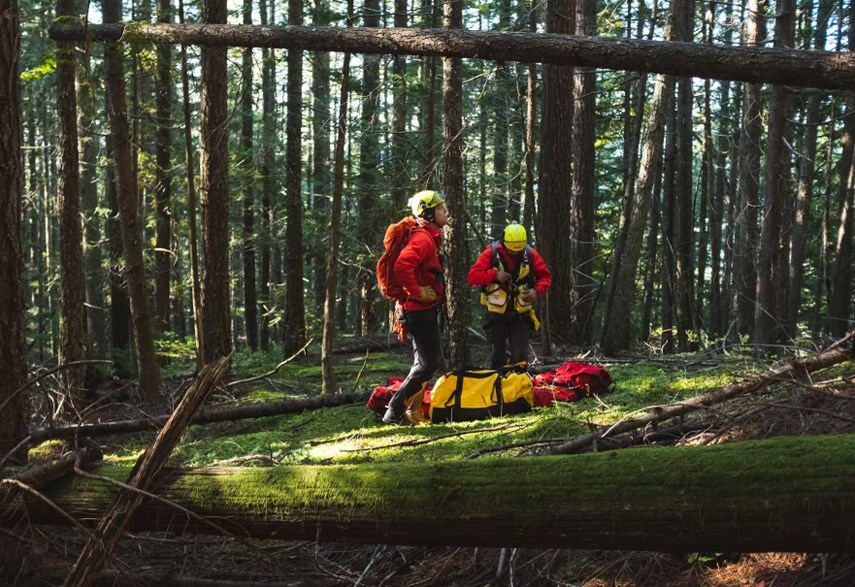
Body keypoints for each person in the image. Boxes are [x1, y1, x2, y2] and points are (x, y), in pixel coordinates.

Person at [382, 190, 449, 425]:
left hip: (422, 311)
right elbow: (402, 266)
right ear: (429, 213)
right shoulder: (422, 239)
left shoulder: (428, 236)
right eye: (441, 209)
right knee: (427, 364)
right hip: (418, 312)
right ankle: (394, 411)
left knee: (430, 363)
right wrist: (418, 292)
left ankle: (412, 410)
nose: (446, 211)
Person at [467, 222, 552, 369]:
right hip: (495, 315)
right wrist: (495, 274)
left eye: (518, 251)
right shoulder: (491, 253)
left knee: (520, 357)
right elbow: (472, 276)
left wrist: (535, 291)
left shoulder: (530, 254)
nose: (514, 254)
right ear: (504, 242)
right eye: (511, 251)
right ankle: (498, 389)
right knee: (496, 356)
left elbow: (546, 277)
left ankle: (518, 388)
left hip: (520, 315)